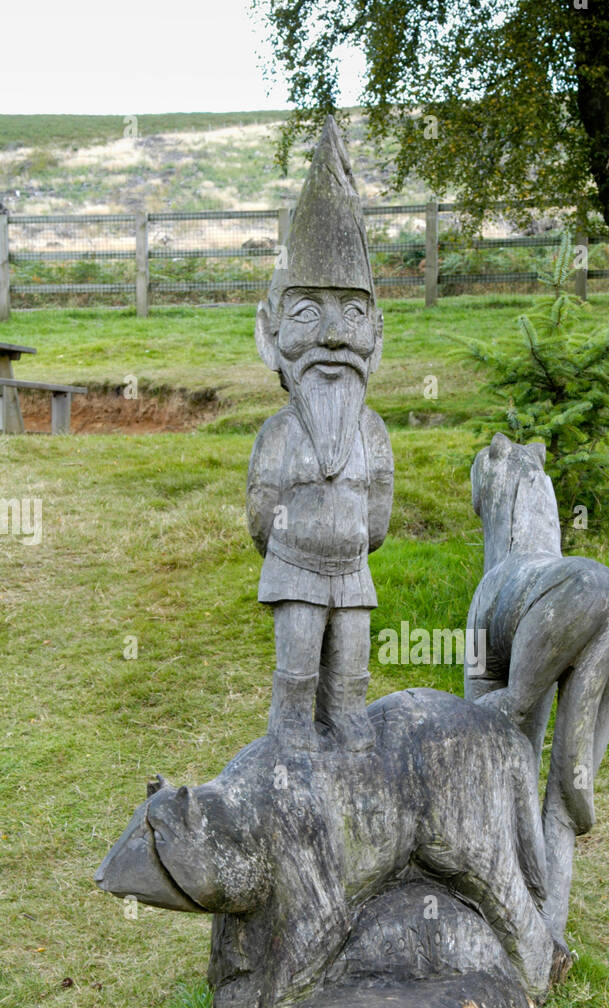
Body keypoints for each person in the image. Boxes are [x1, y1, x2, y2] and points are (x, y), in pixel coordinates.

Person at [248, 117, 393, 752]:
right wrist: (298, 542)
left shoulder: (374, 432)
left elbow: (381, 514)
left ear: (377, 335)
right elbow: (260, 514)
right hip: (296, 576)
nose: (335, 336)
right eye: (309, 311)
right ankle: (290, 744)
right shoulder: (278, 433)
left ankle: (350, 741)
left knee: (352, 677)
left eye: (353, 313)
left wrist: (350, 538)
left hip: (355, 577)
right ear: (269, 333)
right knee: (297, 673)